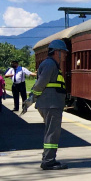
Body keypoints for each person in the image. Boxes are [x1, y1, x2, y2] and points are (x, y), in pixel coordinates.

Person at [31, 40, 69, 170]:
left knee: (51, 133)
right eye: (63, 53)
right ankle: (48, 161)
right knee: (52, 133)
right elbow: (41, 83)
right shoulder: (50, 65)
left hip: (51, 104)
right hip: (50, 104)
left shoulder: (50, 64)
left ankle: (48, 158)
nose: (65, 56)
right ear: (57, 52)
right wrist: (32, 97)